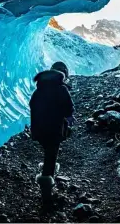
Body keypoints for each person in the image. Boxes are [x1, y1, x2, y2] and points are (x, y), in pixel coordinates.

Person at [29, 61, 75, 206]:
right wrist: (69, 116)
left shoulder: (39, 89)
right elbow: (68, 106)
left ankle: (48, 170)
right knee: (51, 152)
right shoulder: (61, 89)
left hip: (39, 129)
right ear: (63, 75)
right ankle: (46, 190)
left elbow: (32, 105)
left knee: (48, 149)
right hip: (54, 129)